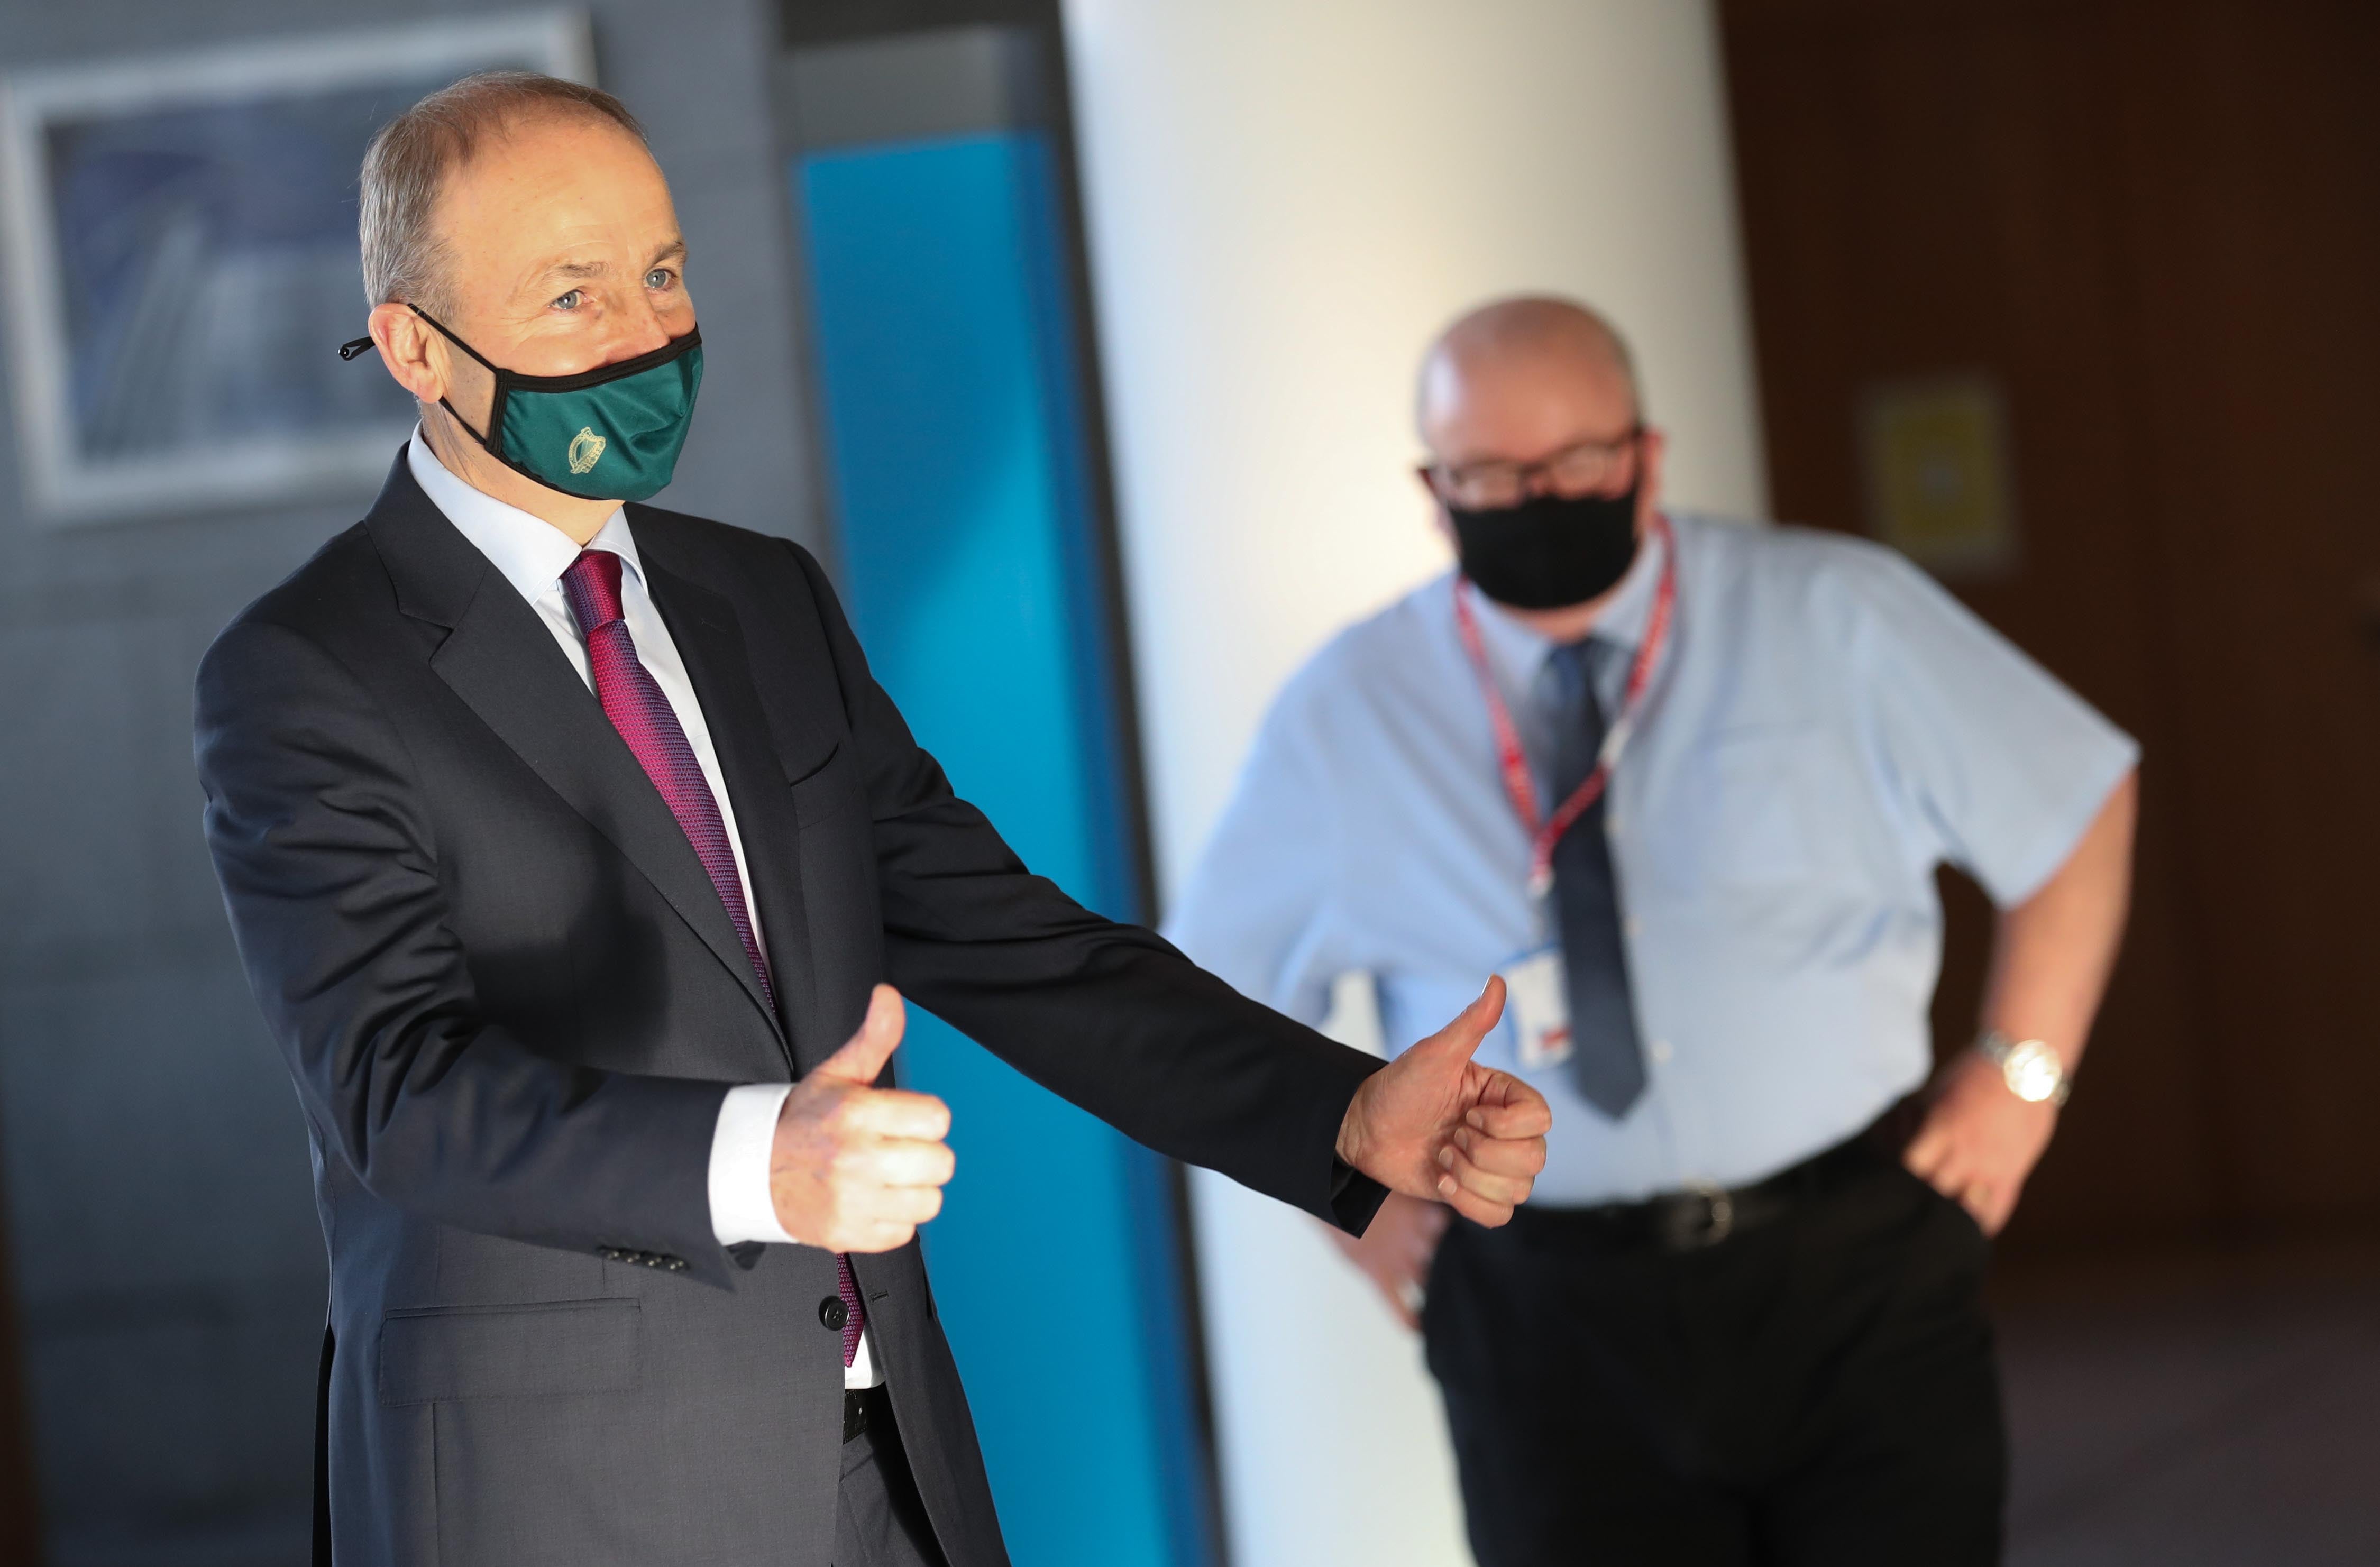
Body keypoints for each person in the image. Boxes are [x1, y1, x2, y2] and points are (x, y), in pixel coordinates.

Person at [194, 74, 1551, 1567]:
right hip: (557, 1490)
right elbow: (394, 1092)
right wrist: (756, 1157)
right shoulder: (305, 670)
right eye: (571, 297)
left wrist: (1337, 1112)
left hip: (883, 1467)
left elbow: (1010, 938)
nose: (646, 338)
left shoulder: (759, 597)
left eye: (659, 274)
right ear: (412, 344)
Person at [1167, 296, 2139, 1566]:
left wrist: (2025, 1075)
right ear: (1432, 485)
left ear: (1647, 454)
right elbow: (1205, 995)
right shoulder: (1349, 711)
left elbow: (2074, 803)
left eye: (1575, 464)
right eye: (1490, 476)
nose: (1537, 498)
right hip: (1542, 1314)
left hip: (1855, 1263)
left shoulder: (1834, 612)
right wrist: (1337, 1186)